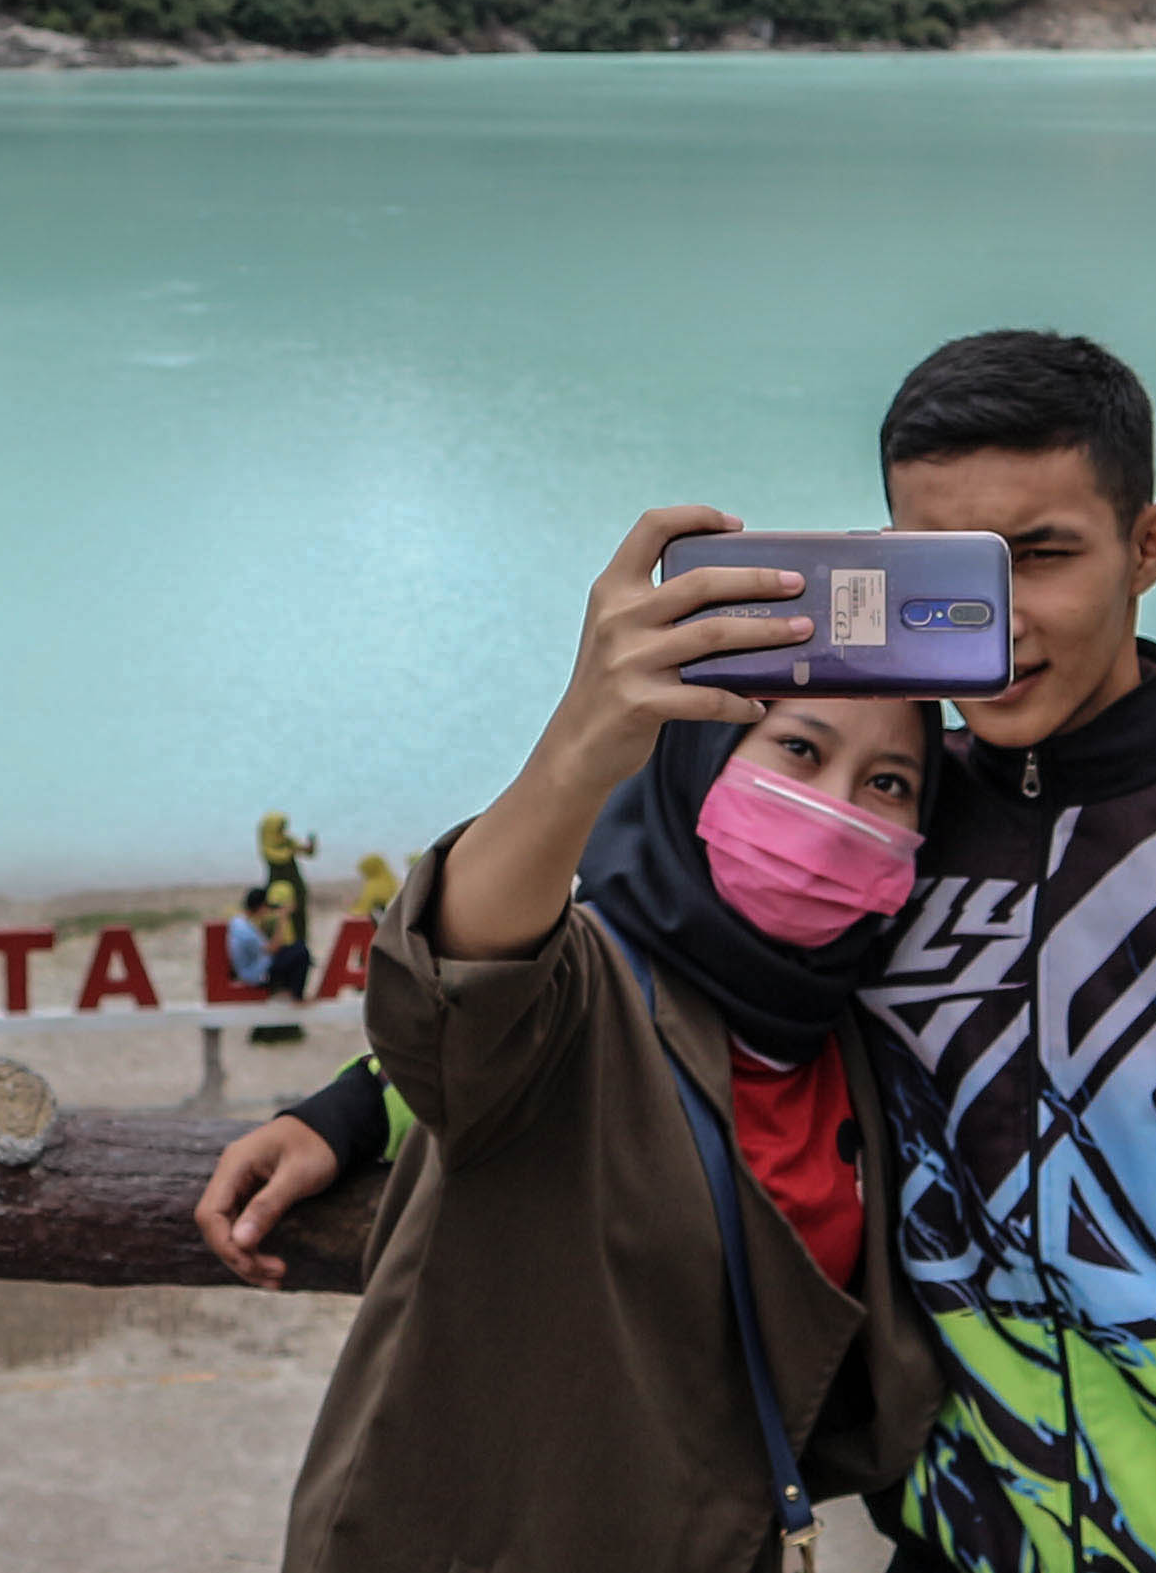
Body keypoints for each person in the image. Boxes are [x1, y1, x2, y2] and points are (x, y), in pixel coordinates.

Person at [209, 330, 1156, 1570]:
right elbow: (627, 976)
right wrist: (354, 1106)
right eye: (959, 567)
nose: (1004, 617)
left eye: (1042, 554)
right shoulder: (888, 821)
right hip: (940, 1548)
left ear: (1149, 545)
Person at [279, 508, 942, 1573]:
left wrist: (354, 1104)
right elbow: (462, 982)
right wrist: (580, 747)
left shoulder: (860, 1044)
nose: (835, 812)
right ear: (696, 757)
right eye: (797, 750)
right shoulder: (587, 984)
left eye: (889, 785)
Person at [224, 887, 312, 1000]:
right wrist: (283, 918)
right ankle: (296, 996)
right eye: (266, 907)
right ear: (260, 907)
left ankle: (289, 991)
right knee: (301, 952)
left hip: (255, 967)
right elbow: (272, 949)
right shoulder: (245, 930)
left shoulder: (240, 922)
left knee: (295, 948)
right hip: (255, 975)